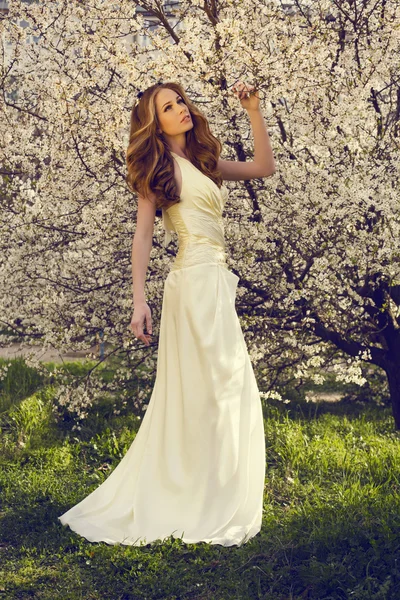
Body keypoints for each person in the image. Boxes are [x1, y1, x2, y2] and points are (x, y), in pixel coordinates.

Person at [59, 80, 276, 547]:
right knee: (210, 391)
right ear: (153, 122)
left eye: (180, 102)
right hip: (193, 284)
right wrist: (139, 301)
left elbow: (264, 167)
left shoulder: (202, 162)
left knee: (226, 388)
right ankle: (193, 498)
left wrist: (254, 111)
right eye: (167, 107)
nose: (180, 110)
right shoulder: (158, 168)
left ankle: (212, 492)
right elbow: (142, 237)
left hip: (215, 282)